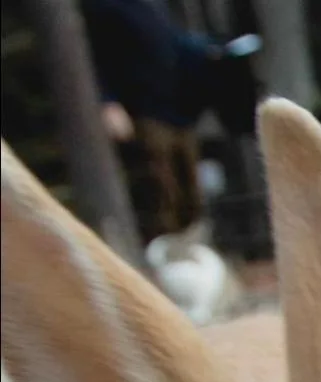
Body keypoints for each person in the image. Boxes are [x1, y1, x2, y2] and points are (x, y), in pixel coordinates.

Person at [79, 0, 221, 238]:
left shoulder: (151, 5)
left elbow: (173, 43)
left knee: (192, 196)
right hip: (144, 113)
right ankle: (162, 256)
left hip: (179, 111)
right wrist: (108, 102)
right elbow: (96, 59)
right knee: (162, 194)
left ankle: (191, 252)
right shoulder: (102, 7)